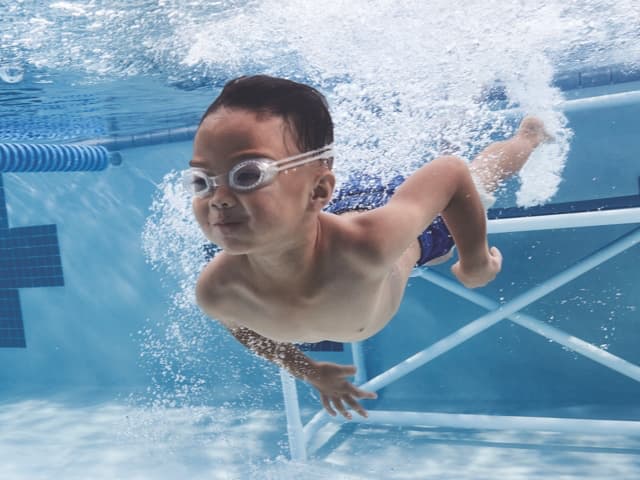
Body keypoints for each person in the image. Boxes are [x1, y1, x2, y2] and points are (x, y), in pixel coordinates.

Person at [186, 75, 549, 420]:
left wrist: (476, 261)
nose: (217, 199)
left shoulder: (367, 247)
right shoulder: (217, 292)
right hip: (331, 207)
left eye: (247, 175)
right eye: (201, 180)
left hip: (384, 224)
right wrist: (310, 372)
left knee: (479, 180)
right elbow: (243, 330)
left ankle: (528, 136)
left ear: (318, 191)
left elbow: (451, 172)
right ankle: (447, 127)